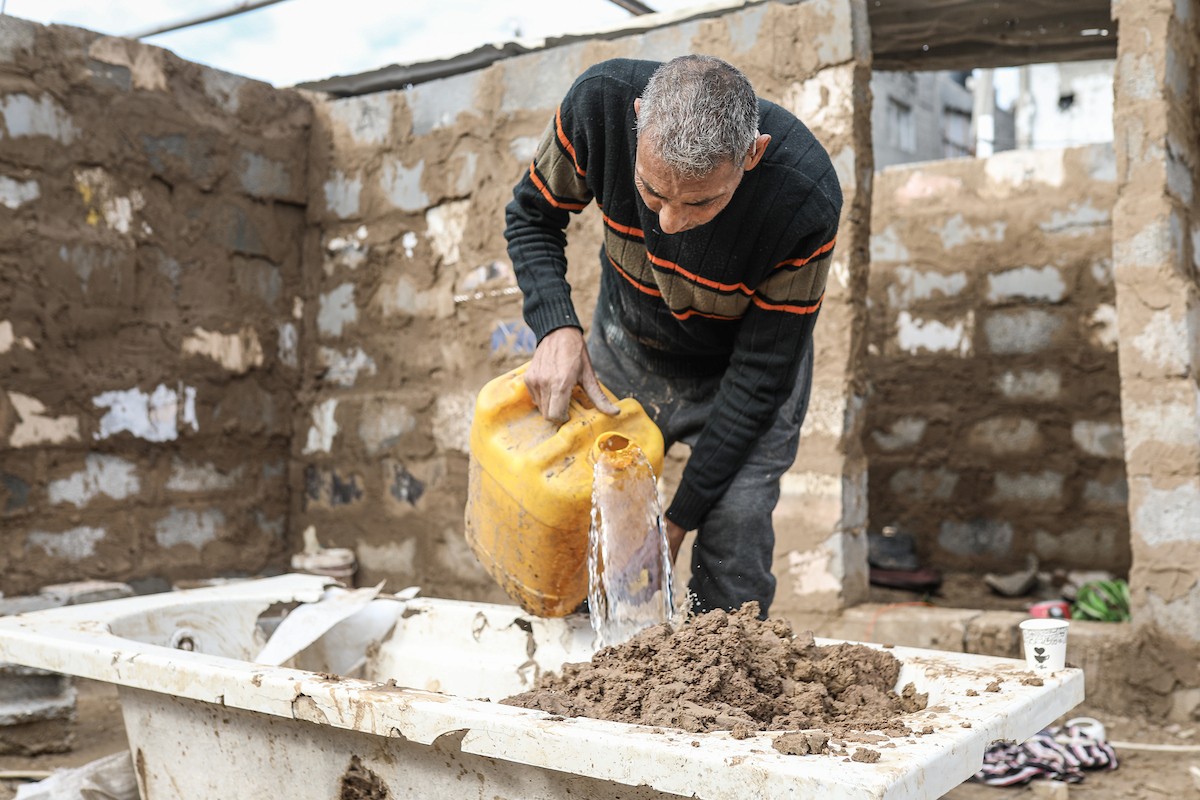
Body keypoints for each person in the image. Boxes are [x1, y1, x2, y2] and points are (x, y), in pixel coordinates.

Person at [504, 55, 842, 617]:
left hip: (746, 369)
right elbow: (532, 217)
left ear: (751, 156)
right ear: (638, 118)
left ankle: (725, 683)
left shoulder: (804, 199)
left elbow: (760, 377)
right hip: (629, 344)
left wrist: (677, 523)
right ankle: (587, 684)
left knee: (733, 536)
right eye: (651, 192)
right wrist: (556, 327)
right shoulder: (600, 105)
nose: (668, 224)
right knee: (599, 532)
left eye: (701, 202)